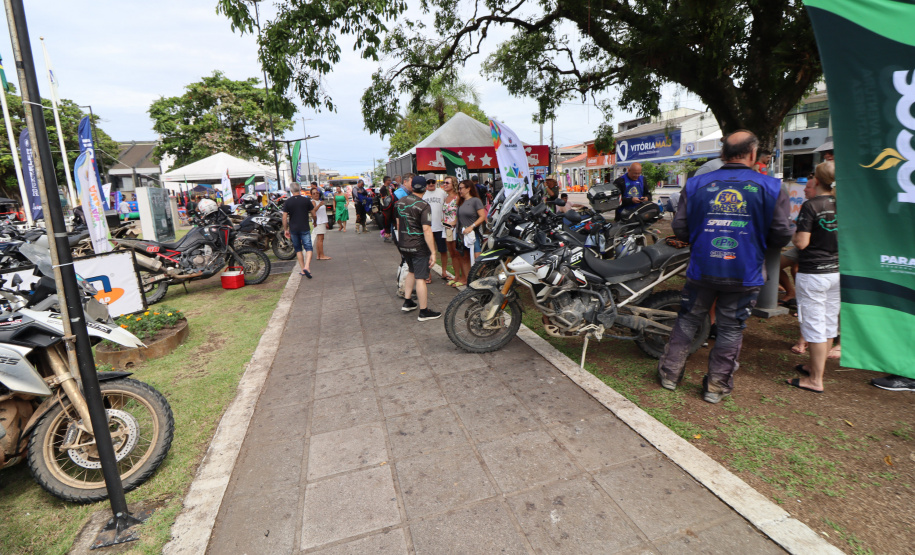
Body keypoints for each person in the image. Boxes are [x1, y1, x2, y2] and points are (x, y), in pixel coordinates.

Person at [657, 130, 794, 404]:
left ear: (722, 154)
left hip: (703, 268)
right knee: (731, 328)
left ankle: (669, 375)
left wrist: (704, 236)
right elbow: (781, 235)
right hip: (744, 271)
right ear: (753, 154)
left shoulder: (696, 184)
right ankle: (716, 387)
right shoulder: (772, 187)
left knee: (688, 319)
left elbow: (680, 227)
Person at [787, 161, 838, 393]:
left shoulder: (811, 205)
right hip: (836, 271)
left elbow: (802, 242)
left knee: (815, 325)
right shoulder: (843, 204)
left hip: (814, 273)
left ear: (816, 181)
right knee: (828, 323)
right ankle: (816, 368)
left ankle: (815, 380)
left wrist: (795, 234)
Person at [394, 175, 441, 321]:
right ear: (425, 188)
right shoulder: (424, 205)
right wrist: (433, 252)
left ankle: (407, 301)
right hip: (418, 245)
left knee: (411, 271)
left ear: (412, 186)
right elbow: (427, 229)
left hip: (403, 244)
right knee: (421, 277)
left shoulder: (400, 202)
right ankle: (424, 311)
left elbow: (398, 224)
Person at [455, 179, 487, 285]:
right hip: (461, 234)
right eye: (459, 188)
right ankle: (470, 282)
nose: (459, 190)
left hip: (473, 234)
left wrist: (471, 227)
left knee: (478, 259)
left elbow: (482, 216)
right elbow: (459, 218)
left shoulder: (475, 201)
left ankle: (483, 281)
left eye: (461, 188)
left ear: (468, 188)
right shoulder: (461, 201)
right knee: (464, 257)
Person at [282, 182, 315, 278]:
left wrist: (285, 229)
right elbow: (313, 213)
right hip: (304, 227)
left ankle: (302, 269)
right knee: (308, 248)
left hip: (293, 228)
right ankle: (307, 267)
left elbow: (284, 217)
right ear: (300, 189)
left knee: (298, 249)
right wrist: (315, 221)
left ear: (291, 190)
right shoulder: (306, 200)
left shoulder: (288, 202)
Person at [422, 176, 448, 285]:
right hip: (428, 227)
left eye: (433, 181)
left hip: (440, 227)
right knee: (427, 252)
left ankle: (444, 272)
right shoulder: (423, 194)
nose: (431, 184)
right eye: (429, 182)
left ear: (436, 182)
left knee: (443, 250)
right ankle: (428, 274)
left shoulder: (442, 192)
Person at [440, 176, 461, 284]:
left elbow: (460, 212)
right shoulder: (446, 197)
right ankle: (456, 276)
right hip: (447, 228)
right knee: (452, 253)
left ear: (454, 184)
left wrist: (455, 222)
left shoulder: (458, 197)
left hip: (456, 228)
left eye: (447, 183)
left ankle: (461, 277)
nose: (445, 184)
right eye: (444, 182)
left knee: (458, 253)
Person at [310, 187, 331, 260]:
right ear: (311, 195)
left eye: (317, 193)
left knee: (320, 239)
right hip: (318, 222)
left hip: (321, 221)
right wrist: (319, 205)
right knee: (320, 239)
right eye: (314, 193)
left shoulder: (319, 201)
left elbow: (323, 213)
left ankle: (319, 255)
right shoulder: (313, 202)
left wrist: (326, 222)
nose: (316, 194)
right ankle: (321, 255)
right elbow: (313, 211)